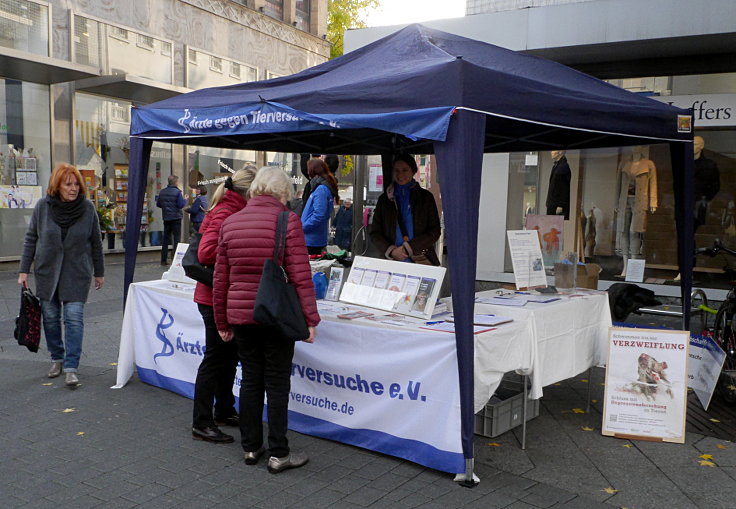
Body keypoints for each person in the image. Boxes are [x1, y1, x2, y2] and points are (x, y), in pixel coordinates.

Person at [213, 166, 319, 473]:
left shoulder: (231, 222)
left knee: (249, 380)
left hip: (241, 316)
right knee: (276, 384)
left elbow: (221, 279)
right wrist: (310, 319)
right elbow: (301, 276)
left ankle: (250, 448)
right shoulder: (288, 221)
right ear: (283, 193)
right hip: (275, 316)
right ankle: (279, 453)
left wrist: (221, 321)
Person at [18, 163, 104, 387]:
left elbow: (96, 242)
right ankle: (57, 358)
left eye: (76, 184)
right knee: (51, 319)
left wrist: (99, 272)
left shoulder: (87, 209)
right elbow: (31, 238)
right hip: (47, 273)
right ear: (57, 185)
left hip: (77, 273)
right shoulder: (43, 207)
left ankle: (71, 367)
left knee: (74, 319)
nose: (73, 188)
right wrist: (23, 270)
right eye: (68, 184)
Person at [191, 166, 257, 444]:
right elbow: (206, 252)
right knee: (215, 358)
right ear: (249, 192)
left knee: (228, 357)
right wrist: (236, 247)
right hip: (212, 296)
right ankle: (202, 422)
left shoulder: (231, 208)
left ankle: (224, 410)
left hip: (222, 295)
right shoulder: (227, 211)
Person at [369, 154, 441, 265]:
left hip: (419, 259)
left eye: (405, 170)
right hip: (391, 261)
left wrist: (409, 248)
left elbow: (435, 231)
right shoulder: (384, 200)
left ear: (413, 171)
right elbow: (375, 233)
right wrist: (391, 250)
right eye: (396, 171)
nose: (400, 175)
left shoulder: (425, 198)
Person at [301, 158, 338, 255]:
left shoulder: (321, 189)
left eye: (309, 170)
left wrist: (302, 227)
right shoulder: (321, 187)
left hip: (312, 239)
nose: (308, 173)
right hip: (313, 238)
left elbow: (319, 215)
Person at [156, 175, 187, 266]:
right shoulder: (177, 192)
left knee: (165, 239)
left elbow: (158, 204)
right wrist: (185, 200)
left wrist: (166, 207)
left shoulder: (162, 192)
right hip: (176, 218)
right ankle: (175, 260)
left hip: (166, 218)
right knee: (176, 239)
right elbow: (181, 205)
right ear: (176, 182)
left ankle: (163, 260)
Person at [546, 150, 571, 219]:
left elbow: (564, 188)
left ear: (560, 152)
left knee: (554, 226)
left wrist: (560, 205)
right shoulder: (557, 166)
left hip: (556, 205)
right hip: (553, 204)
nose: (551, 152)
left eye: (553, 150)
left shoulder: (563, 167)